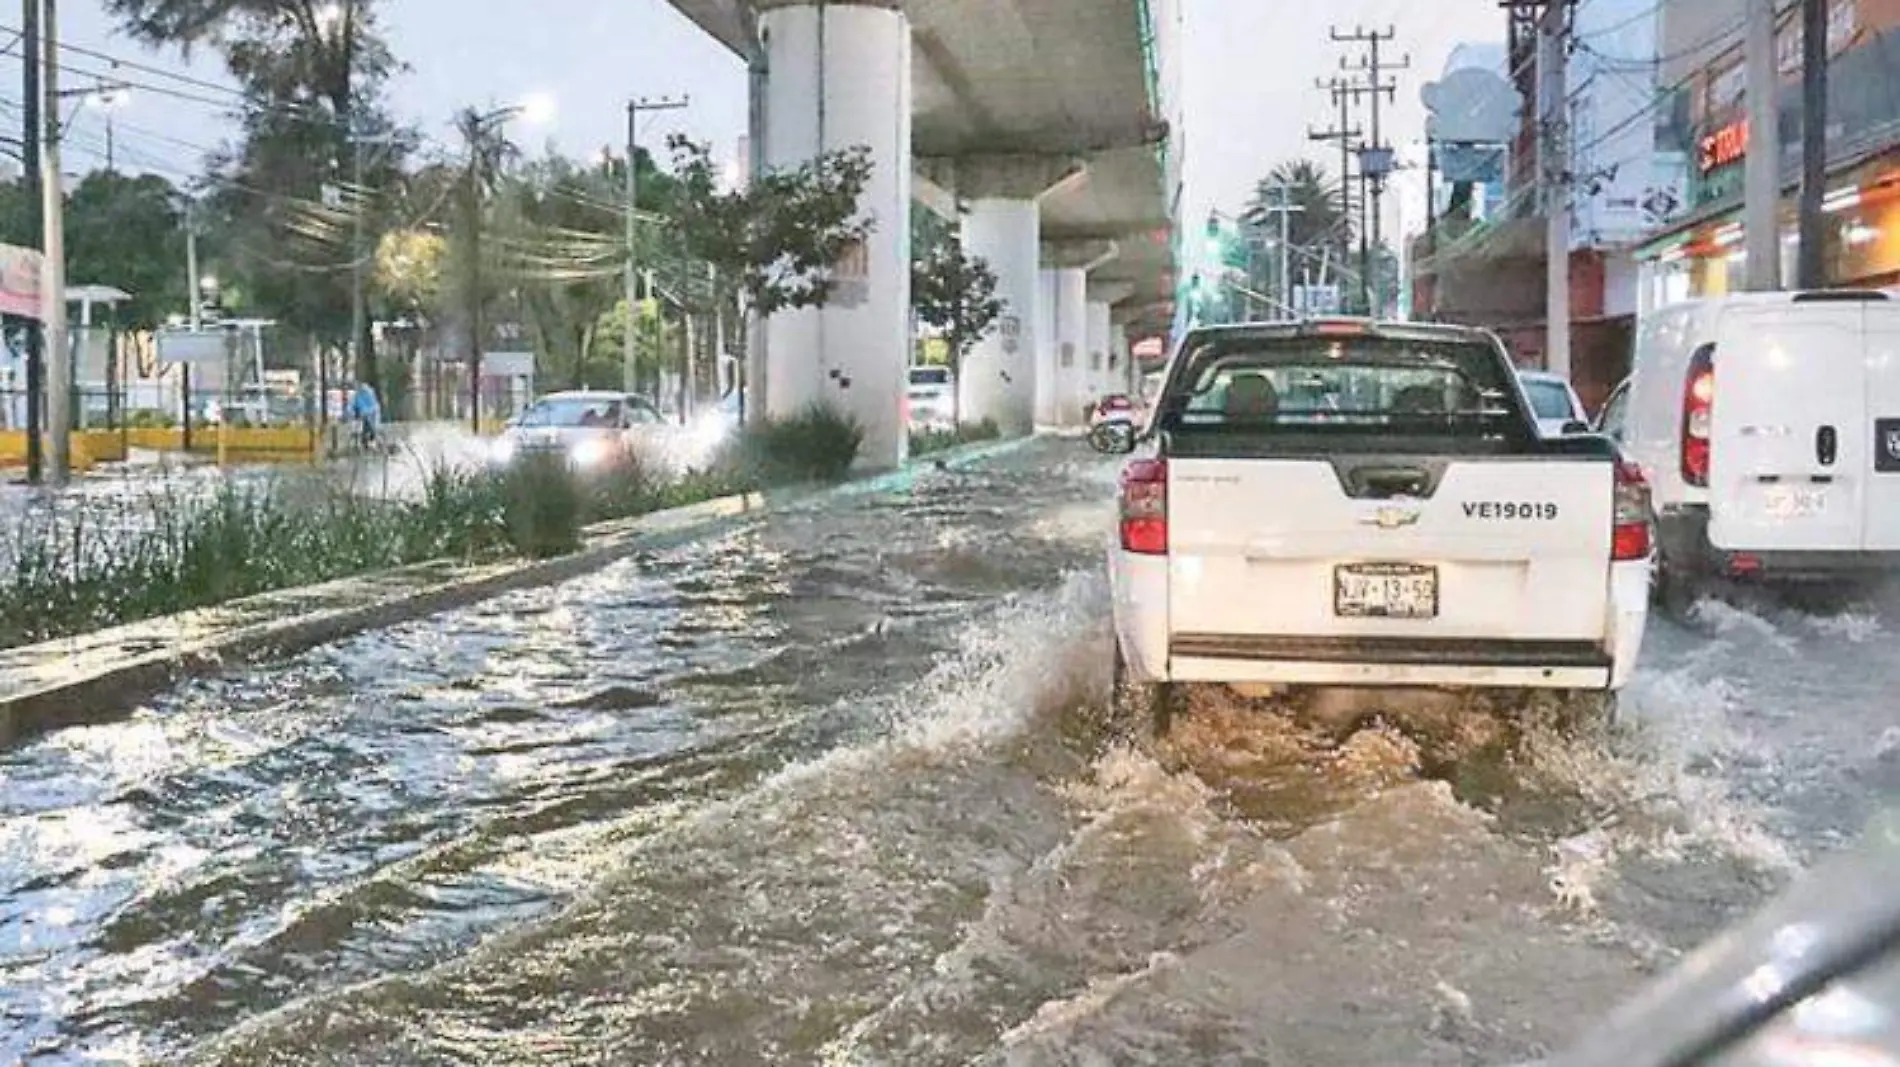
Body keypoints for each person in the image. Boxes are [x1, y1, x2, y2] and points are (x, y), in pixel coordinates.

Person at [347, 380, 383, 449]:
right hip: (362, 416)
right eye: (355, 387)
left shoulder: (368, 393)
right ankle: (363, 442)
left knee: (372, 428)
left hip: (372, 414)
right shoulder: (356, 395)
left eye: (357, 387)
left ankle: (375, 440)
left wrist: (366, 412)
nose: (356, 389)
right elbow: (352, 405)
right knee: (360, 428)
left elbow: (374, 406)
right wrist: (351, 411)